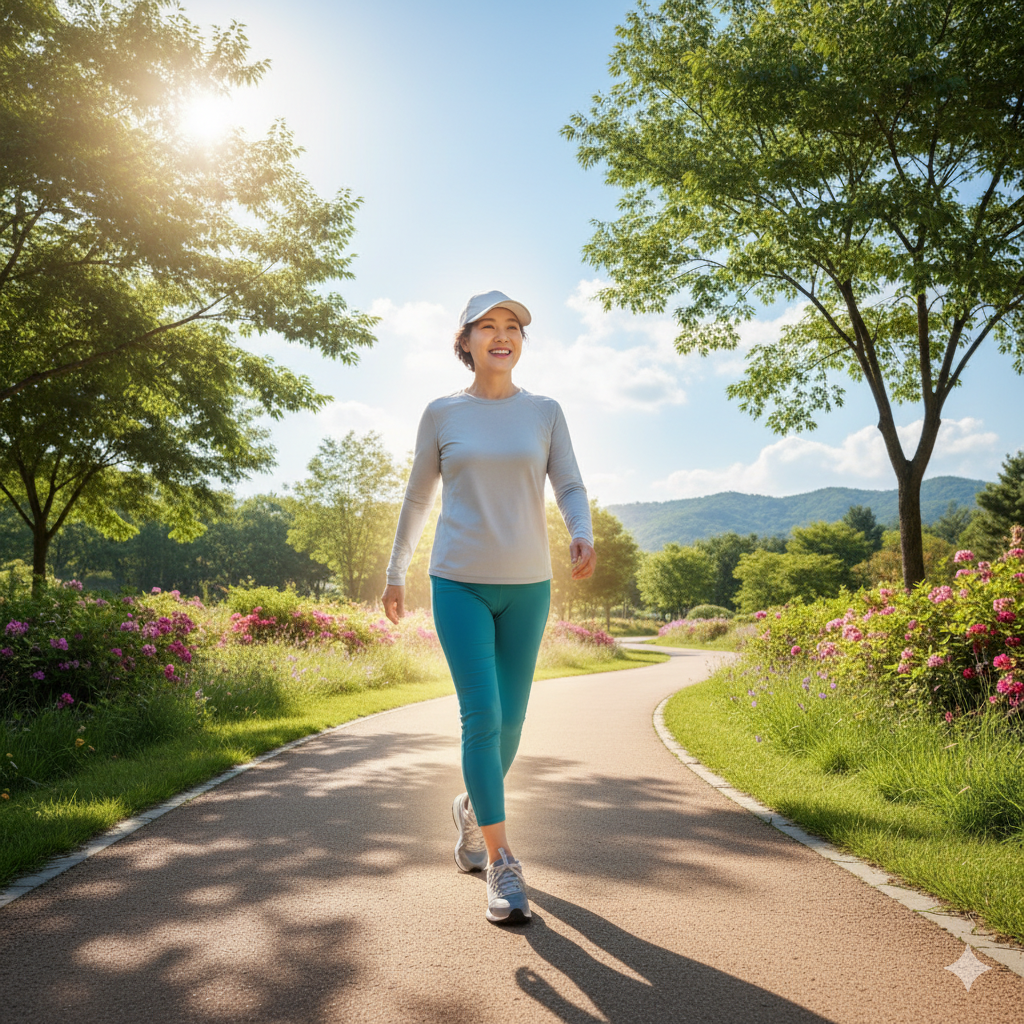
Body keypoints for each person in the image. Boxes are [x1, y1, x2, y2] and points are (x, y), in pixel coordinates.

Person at [381, 289, 596, 925]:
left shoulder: (545, 412)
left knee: (512, 722)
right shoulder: (442, 413)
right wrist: (395, 572)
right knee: (483, 715)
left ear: (521, 342)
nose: (502, 335)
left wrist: (581, 530)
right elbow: (418, 499)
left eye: (513, 327)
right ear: (466, 341)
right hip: (458, 582)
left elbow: (569, 483)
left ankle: (473, 810)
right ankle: (502, 863)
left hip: (529, 584)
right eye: (488, 326)